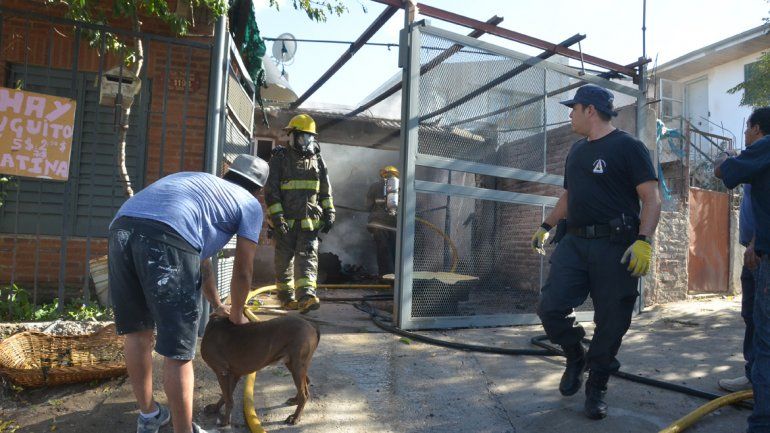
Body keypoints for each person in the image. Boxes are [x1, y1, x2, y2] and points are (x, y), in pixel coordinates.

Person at [108, 154, 268, 433]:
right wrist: (237, 314)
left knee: (137, 334)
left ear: (228, 173)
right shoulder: (250, 204)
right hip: (167, 238)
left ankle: (148, 416)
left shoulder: (201, 185)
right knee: (178, 351)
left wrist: (217, 303)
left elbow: (201, 260)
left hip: (121, 230)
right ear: (259, 190)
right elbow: (243, 271)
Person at [531, 84, 661, 420]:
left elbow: (651, 198)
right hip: (573, 242)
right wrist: (546, 226)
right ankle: (574, 353)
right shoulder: (576, 151)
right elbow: (569, 197)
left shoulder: (629, 147)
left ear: (590, 110)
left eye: (573, 108)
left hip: (615, 246)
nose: (569, 114)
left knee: (612, 321)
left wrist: (644, 240)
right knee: (551, 306)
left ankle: (597, 385)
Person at [715, 106, 770, 433]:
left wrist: (730, 160)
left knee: (766, 343)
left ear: (757, 129)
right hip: (757, 248)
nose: (745, 133)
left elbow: (723, 174)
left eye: (747, 128)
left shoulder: (762, 149)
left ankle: (762, 424)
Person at [265, 114, 335, 313]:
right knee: (283, 260)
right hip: (285, 223)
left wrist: (330, 212)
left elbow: (325, 190)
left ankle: (306, 297)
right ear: (292, 136)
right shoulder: (280, 159)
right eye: (302, 137)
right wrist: (277, 218)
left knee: (308, 258)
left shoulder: (318, 160)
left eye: (309, 138)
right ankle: (286, 298)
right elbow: (272, 191)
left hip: (309, 223)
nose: (306, 142)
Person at [718, 179, 758, 393]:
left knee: (761, 318)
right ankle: (753, 376)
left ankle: (760, 381)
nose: (746, 141)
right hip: (753, 254)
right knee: (751, 315)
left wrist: (756, 241)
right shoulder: (755, 161)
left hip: (761, 253)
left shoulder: (763, 156)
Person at [366, 165, 399, 277]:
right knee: (395, 250)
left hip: (377, 224)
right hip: (394, 225)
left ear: (382, 174)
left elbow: (368, 206)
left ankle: (385, 276)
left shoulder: (374, 186)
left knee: (382, 250)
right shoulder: (400, 188)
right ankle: (396, 278)